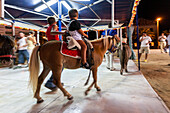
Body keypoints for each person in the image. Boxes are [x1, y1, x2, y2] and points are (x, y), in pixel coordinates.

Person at [44, 16, 60, 90]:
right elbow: (53, 32)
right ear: (55, 21)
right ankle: (51, 81)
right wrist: (62, 33)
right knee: (60, 66)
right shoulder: (54, 26)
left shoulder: (48, 28)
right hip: (55, 45)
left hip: (49, 44)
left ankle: (56, 81)